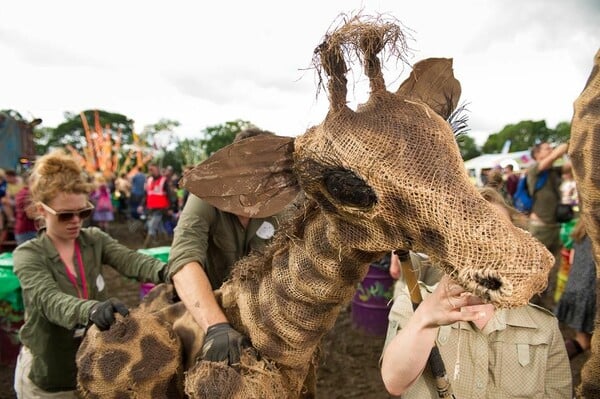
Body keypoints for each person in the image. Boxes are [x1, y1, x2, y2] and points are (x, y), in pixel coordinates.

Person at [380, 187, 571, 398]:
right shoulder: (414, 304)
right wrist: (424, 319)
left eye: (498, 232)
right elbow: (395, 383)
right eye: (473, 230)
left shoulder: (543, 327)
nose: (486, 243)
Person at [12, 150, 167, 398]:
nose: (76, 221)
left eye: (83, 212)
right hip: (51, 372)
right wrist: (92, 310)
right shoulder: (28, 254)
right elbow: (48, 299)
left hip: (94, 367)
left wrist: (167, 271)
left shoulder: (94, 239)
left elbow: (131, 260)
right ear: (41, 210)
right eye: (65, 215)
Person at [166, 128, 283, 365]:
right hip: (209, 305)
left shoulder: (281, 205)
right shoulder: (204, 198)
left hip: (261, 311)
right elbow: (183, 259)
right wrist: (216, 326)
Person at [527, 141, 570, 305]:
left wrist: (568, 153)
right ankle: (529, 301)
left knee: (551, 268)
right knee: (536, 267)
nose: (551, 150)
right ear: (537, 155)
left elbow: (569, 167)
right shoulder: (534, 169)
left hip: (554, 227)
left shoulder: (553, 171)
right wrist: (563, 148)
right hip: (540, 228)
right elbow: (551, 158)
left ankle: (543, 300)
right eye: (547, 148)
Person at [555, 218, 596, 359]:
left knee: (585, 341)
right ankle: (551, 364)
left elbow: (572, 259)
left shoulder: (582, 229)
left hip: (575, 288)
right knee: (585, 342)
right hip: (589, 294)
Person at [141, 163, 171, 247]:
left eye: (152, 169)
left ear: (158, 170)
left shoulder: (164, 180)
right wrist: (141, 205)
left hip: (161, 208)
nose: (151, 171)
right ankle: (166, 242)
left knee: (152, 226)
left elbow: (169, 194)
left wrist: (171, 207)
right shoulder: (149, 180)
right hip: (151, 207)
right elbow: (146, 194)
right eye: (150, 170)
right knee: (160, 226)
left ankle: (146, 245)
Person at [14, 174, 37, 245]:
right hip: (28, 232)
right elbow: (31, 215)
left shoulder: (23, 192)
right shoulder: (28, 194)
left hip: (26, 231)